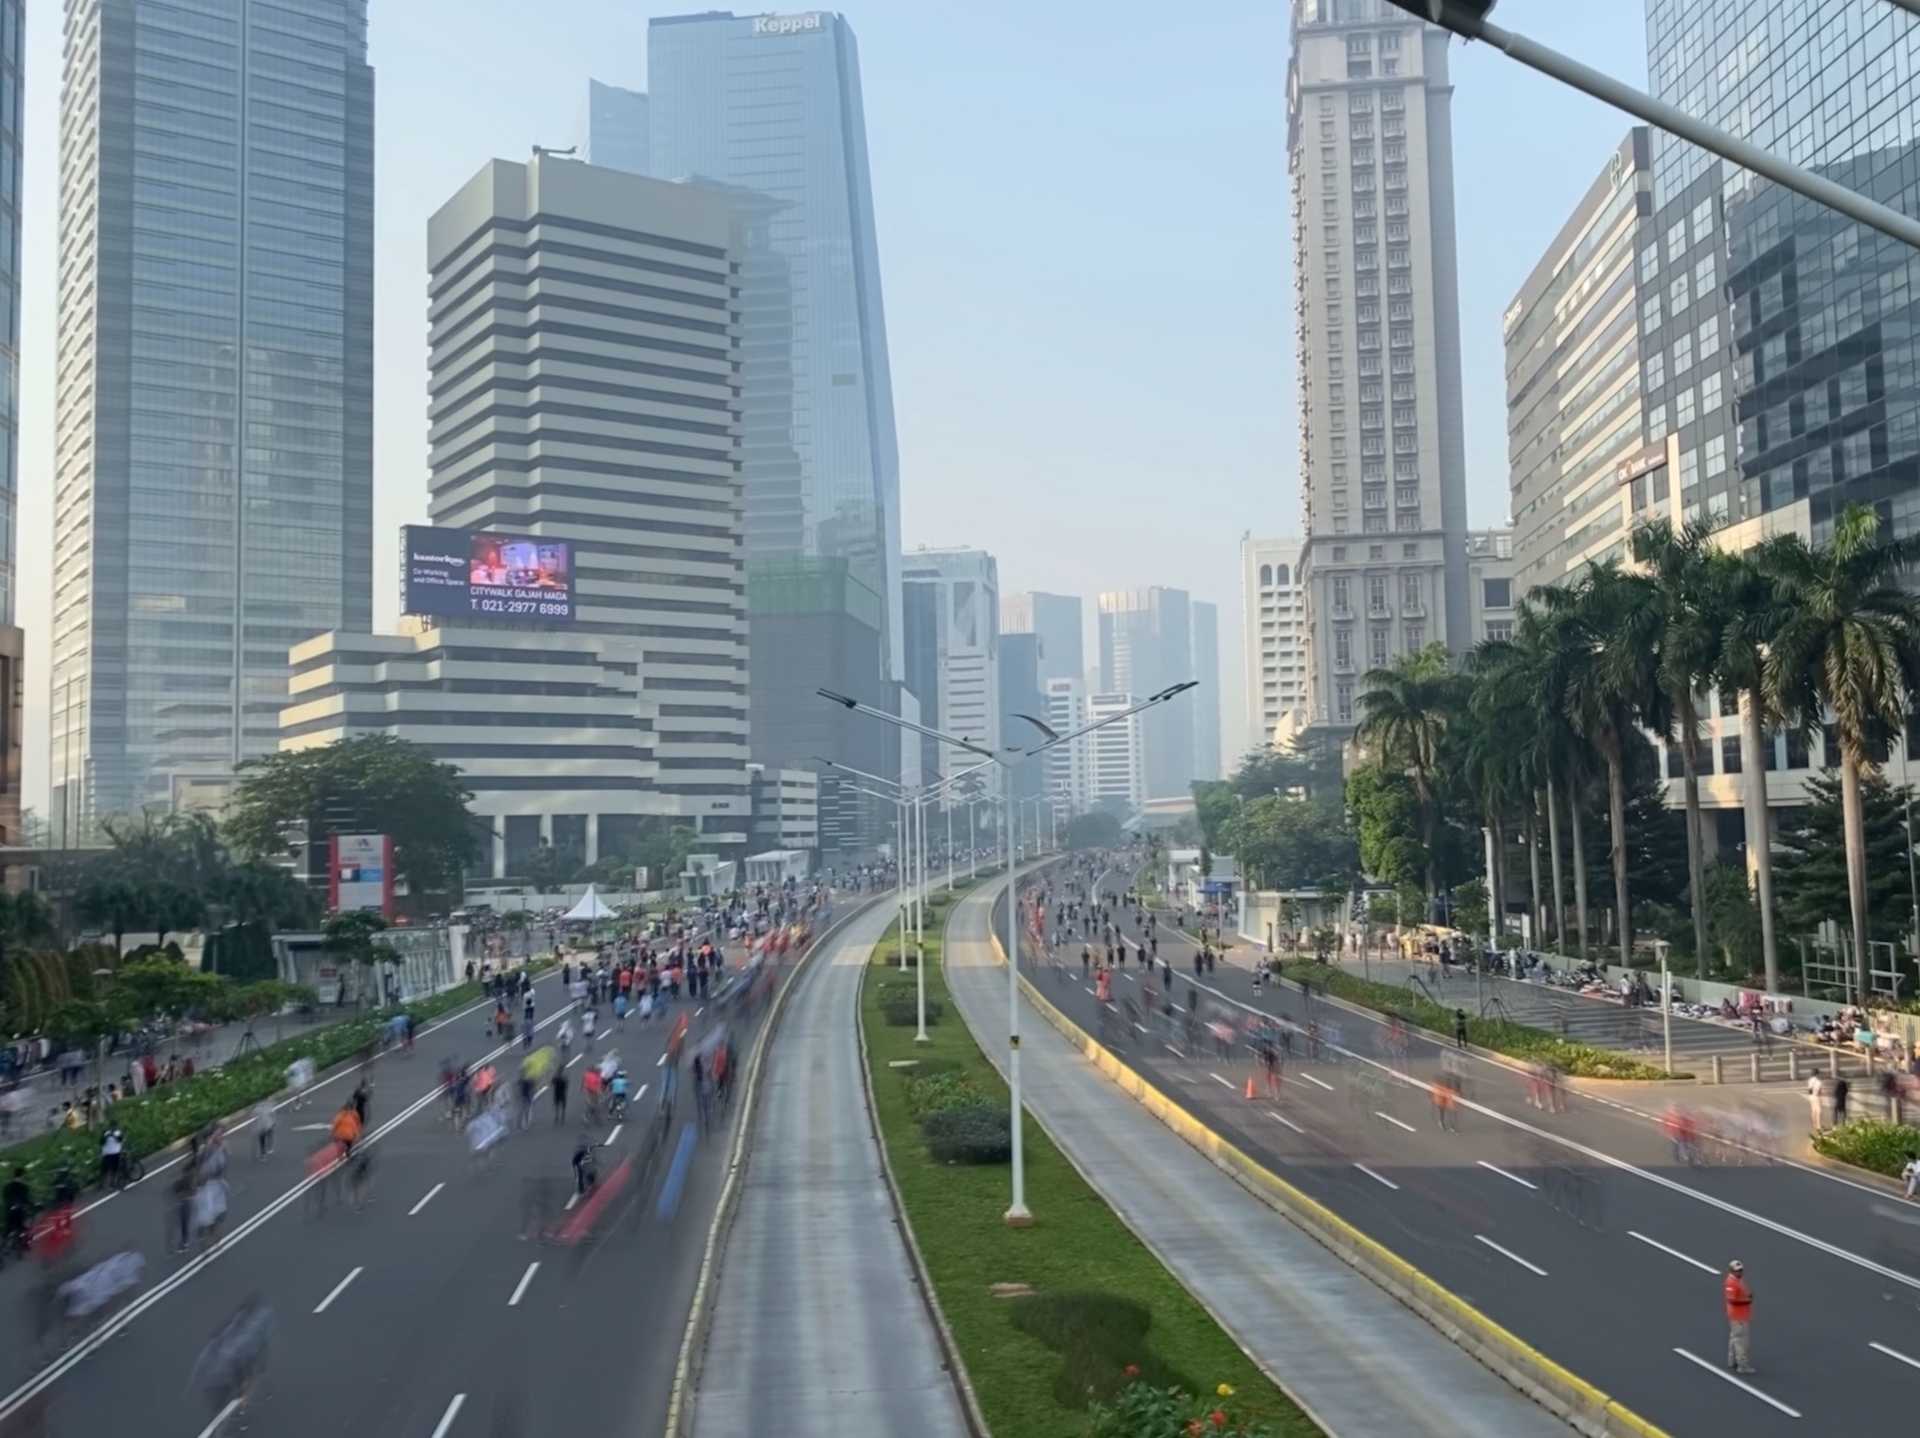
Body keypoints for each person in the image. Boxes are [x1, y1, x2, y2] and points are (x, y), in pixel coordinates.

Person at [1723, 1260, 1755, 1373]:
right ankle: (1742, 1365)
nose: (1740, 1272)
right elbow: (1732, 1300)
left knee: (1734, 1338)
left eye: (1741, 1270)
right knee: (1741, 1342)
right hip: (1738, 1316)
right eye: (1737, 1271)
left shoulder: (1738, 1280)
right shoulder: (1731, 1283)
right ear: (1731, 1271)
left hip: (1740, 1315)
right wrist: (1747, 1300)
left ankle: (1732, 1361)